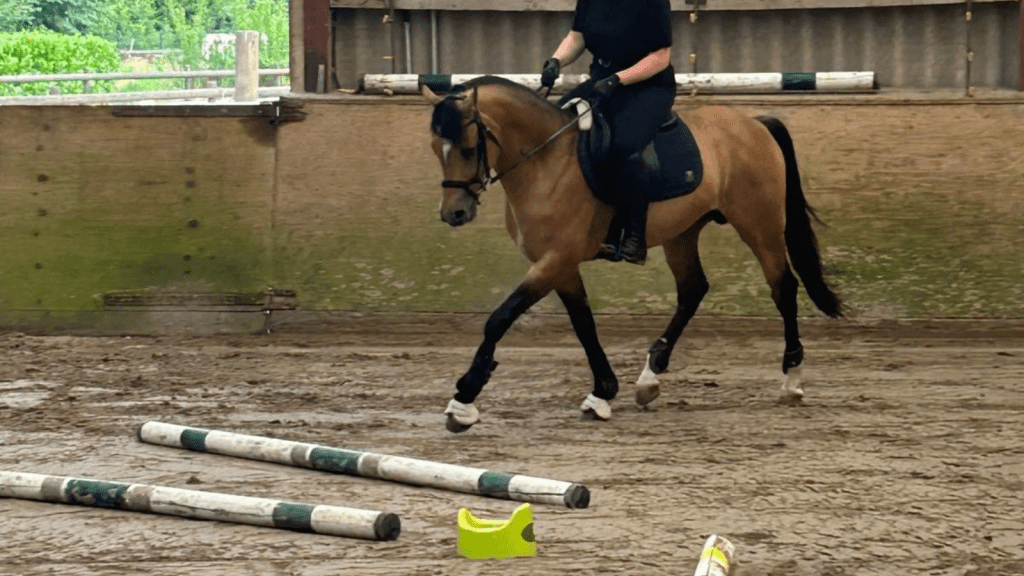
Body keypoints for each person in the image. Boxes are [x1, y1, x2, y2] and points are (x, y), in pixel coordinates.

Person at [540, 0, 675, 265]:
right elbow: (577, 36)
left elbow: (660, 58)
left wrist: (618, 79)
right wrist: (556, 61)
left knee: (624, 145)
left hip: (646, 88)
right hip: (601, 82)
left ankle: (633, 236)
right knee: (555, 128)